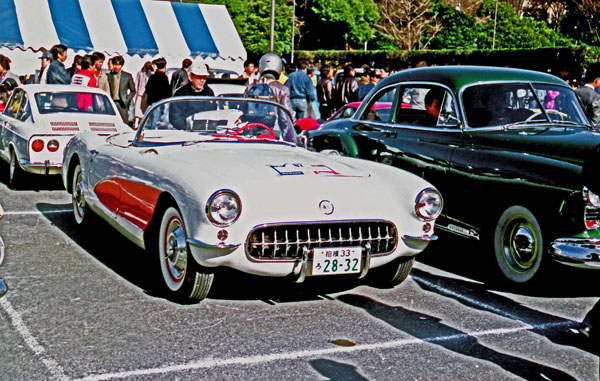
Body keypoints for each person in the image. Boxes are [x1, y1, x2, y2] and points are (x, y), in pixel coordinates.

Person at [169, 63, 215, 130]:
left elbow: (213, 112)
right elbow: (175, 117)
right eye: (199, 77)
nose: (202, 80)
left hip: (207, 133)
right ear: (190, 77)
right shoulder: (181, 94)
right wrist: (187, 129)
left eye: (204, 77)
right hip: (189, 135)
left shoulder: (209, 92)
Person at [107, 56, 136, 123]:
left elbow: (133, 91)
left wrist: (127, 99)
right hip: (112, 102)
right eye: (115, 65)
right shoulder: (109, 76)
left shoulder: (127, 76)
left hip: (122, 102)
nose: (117, 67)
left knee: (124, 122)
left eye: (119, 65)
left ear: (122, 65)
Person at [576, 63, 600, 129]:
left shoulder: (574, 92)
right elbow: (596, 121)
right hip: (587, 131)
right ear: (597, 81)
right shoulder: (596, 97)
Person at [134, 61, 153, 128]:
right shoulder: (140, 73)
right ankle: (136, 123)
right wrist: (136, 92)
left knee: (144, 110)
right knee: (137, 109)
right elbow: (137, 82)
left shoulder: (150, 75)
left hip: (146, 94)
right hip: (139, 93)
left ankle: (142, 124)